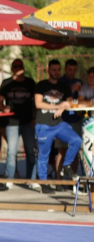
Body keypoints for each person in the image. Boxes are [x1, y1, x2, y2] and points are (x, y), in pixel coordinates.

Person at [34, 59, 81, 194]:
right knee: (44, 155)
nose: (56, 72)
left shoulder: (63, 86)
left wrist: (66, 104)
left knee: (76, 140)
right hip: (44, 124)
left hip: (59, 124)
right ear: (48, 71)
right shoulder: (41, 85)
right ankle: (44, 184)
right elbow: (38, 104)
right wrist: (59, 106)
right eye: (53, 70)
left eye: (58, 70)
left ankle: (66, 165)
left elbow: (70, 101)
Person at [0, 59, 37, 189]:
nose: (18, 68)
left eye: (20, 66)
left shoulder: (30, 82)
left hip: (27, 121)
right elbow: (0, 101)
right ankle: (9, 178)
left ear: (24, 68)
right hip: (12, 121)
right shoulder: (6, 83)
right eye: (15, 66)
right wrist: (3, 108)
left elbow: (35, 103)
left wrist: (34, 118)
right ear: (12, 68)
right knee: (11, 151)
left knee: (30, 151)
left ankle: (32, 179)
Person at [55, 59, 83, 191]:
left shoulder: (79, 82)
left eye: (74, 70)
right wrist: (72, 91)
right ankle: (59, 182)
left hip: (76, 120)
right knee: (61, 151)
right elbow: (61, 101)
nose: (72, 72)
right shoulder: (60, 83)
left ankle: (73, 182)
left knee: (75, 151)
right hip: (63, 121)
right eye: (69, 70)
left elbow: (81, 100)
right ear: (65, 69)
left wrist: (80, 113)